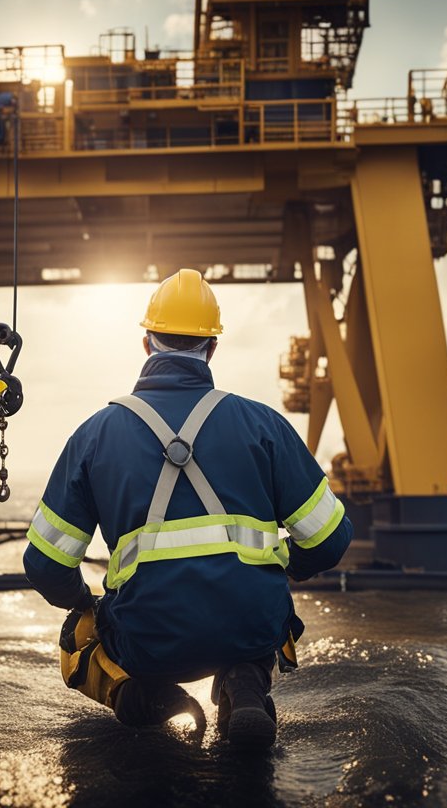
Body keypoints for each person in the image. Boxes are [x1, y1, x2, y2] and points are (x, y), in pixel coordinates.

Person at [23, 268, 352, 748]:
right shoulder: (264, 425)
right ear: (212, 349)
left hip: (147, 640)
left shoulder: (95, 435)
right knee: (265, 607)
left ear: (146, 344)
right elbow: (331, 541)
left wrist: (83, 603)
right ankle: (246, 684)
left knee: (79, 637)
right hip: (250, 629)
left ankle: (143, 696)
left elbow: (45, 565)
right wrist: (284, 569)